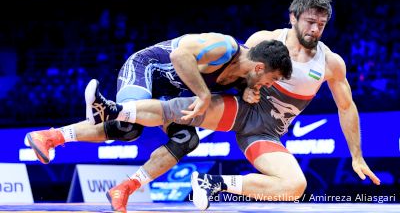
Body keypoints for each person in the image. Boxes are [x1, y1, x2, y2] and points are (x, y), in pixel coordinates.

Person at [82, 0, 380, 210]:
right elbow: (239, 69)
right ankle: (113, 109)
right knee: (177, 111)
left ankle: (213, 184)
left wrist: (356, 155)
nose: (315, 29)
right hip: (241, 108)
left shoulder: (331, 63)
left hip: (266, 132)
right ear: (293, 18)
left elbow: (346, 106)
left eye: (322, 24)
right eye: (310, 21)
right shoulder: (265, 39)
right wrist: (244, 89)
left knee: (294, 186)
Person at [26, 35, 292, 212]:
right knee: (126, 128)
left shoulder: (247, 78)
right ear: (259, 67)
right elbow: (179, 57)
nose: (271, 87)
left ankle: (124, 188)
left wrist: (247, 89)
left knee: (186, 140)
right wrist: (202, 94)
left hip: (171, 93)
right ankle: (50, 137)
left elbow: (241, 89)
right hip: (146, 68)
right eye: (272, 79)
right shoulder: (225, 47)